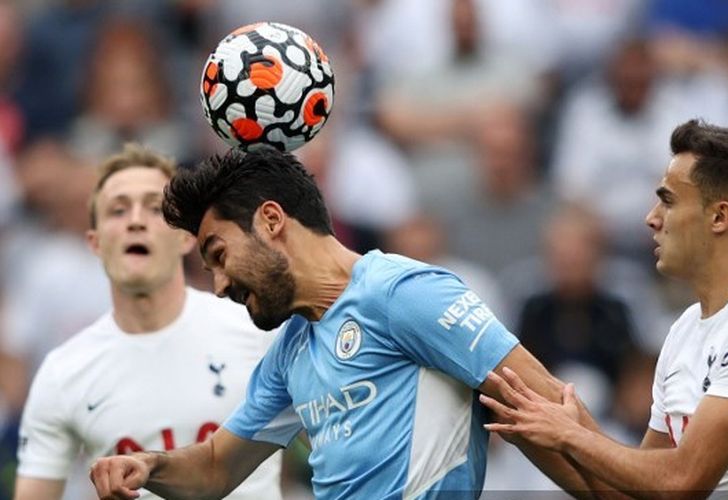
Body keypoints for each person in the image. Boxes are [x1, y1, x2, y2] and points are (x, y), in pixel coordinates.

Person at [88, 144, 608, 499]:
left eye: (219, 254)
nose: (220, 285)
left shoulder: (405, 295)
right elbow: (216, 468)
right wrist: (150, 467)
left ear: (271, 221)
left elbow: (552, 414)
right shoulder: (290, 350)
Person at [481, 119, 728, 495]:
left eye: (668, 200)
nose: (652, 218)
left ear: (719, 217)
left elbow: (681, 482)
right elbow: (634, 492)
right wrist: (529, 429)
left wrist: (573, 436)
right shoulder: (685, 330)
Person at [13, 144, 282, 500]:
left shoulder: (258, 334)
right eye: (118, 210)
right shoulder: (63, 371)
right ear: (95, 242)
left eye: (155, 208)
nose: (136, 220)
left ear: (187, 237)